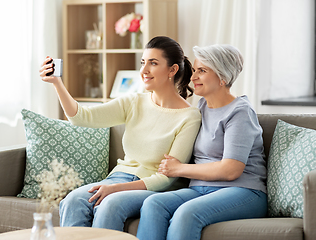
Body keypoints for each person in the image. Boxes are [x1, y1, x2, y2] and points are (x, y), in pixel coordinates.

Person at [39, 36, 201, 231]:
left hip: (154, 186)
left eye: (153, 63)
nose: (144, 70)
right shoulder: (132, 102)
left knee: (109, 204)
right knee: (73, 200)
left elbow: (167, 177)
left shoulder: (189, 116)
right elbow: (81, 117)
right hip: (120, 177)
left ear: (172, 70)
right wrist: (57, 83)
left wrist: (115, 189)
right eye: (143, 63)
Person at [136, 44, 267, 240]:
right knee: (153, 204)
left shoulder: (240, 112)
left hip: (243, 191)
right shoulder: (203, 106)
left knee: (186, 214)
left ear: (223, 77)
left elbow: (231, 169)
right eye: (195, 70)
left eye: (202, 71)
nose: (193, 77)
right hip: (200, 188)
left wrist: (179, 169)